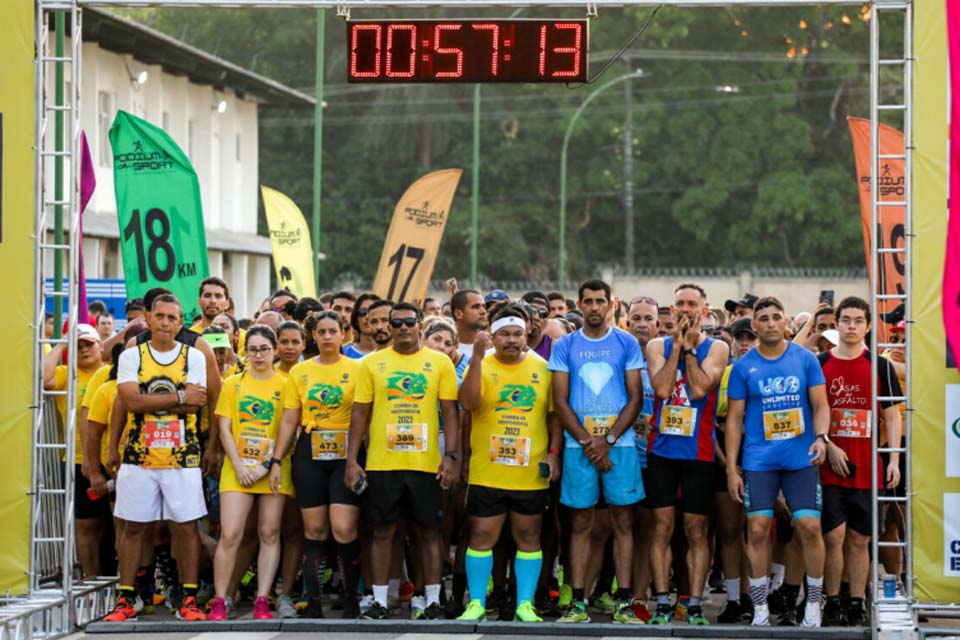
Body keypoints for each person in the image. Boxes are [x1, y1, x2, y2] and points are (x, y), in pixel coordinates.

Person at [344, 302, 460, 620]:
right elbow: (360, 413)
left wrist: (451, 456)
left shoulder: (439, 362)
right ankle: (381, 600)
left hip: (425, 464)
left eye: (410, 322)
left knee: (429, 532)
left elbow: (450, 412)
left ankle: (431, 600)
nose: (403, 327)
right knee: (382, 532)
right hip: (383, 464)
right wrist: (352, 460)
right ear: (389, 327)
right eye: (397, 323)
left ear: (420, 324)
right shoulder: (372, 363)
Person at [725, 296, 830, 628]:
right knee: (757, 529)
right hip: (760, 461)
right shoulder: (743, 367)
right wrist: (731, 468)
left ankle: (813, 603)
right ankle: (759, 608)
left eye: (776, 317)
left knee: (809, 527)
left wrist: (821, 437)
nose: (770, 323)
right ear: (755, 325)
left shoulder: (805, 359)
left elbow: (821, 405)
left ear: (785, 322)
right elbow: (734, 419)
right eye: (764, 318)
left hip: (801, 458)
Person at [106, 293, 209, 623]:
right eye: (160, 316)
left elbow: (196, 404)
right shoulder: (131, 355)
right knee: (133, 527)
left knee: (186, 527)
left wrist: (149, 399)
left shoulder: (194, 356)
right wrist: (178, 396)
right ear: (148, 318)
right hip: (139, 455)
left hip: (182, 457)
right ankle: (126, 598)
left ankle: (189, 598)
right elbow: (130, 402)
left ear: (180, 323)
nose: (165, 323)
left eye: (172, 318)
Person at [455, 305, 562, 623]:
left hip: (529, 473)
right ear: (493, 335)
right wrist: (476, 358)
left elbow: (554, 416)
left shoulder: (543, 367)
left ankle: (524, 604)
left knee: (529, 537)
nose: (511, 340)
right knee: (481, 536)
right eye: (504, 334)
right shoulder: (481, 363)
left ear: (527, 333)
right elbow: (468, 403)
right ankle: (476, 602)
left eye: (517, 334)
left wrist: (553, 453)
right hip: (487, 472)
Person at [548, 279, 645, 624]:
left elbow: (636, 397)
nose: (593, 307)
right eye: (587, 301)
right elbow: (560, 400)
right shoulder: (565, 345)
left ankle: (623, 601)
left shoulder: (626, 342)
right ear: (579, 304)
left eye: (599, 301)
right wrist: (590, 442)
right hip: (580, 447)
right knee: (580, 522)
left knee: (622, 520)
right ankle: (577, 601)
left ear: (610, 304)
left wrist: (609, 439)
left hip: (620, 445)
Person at [645, 284, 729, 626]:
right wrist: (677, 348)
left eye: (692, 304)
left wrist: (691, 350)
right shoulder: (657, 345)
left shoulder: (718, 347)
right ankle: (663, 601)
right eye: (680, 303)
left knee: (696, 529)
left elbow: (698, 388)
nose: (685, 309)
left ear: (704, 311)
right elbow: (663, 388)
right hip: (662, 450)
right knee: (661, 527)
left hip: (698, 452)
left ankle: (694, 602)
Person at [272, 310, 363, 618]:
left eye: (332, 331)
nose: (326, 337)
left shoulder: (357, 368)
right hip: (309, 450)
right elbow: (289, 419)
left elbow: (365, 414)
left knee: (344, 528)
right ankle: (313, 602)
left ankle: (351, 600)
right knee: (314, 529)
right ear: (313, 336)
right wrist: (276, 459)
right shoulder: (300, 372)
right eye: (321, 332)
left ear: (343, 334)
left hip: (346, 452)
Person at [818, 297, 903, 626]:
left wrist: (893, 459)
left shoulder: (880, 366)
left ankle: (856, 603)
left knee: (859, 539)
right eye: (845, 320)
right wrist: (827, 444)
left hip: (868, 467)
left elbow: (892, 417)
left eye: (857, 320)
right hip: (828, 466)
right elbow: (812, 412)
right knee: (833, 538)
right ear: (837, 324)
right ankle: (832, 602)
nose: (851, 326)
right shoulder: (820, 363)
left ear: (868, 326)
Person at [207, 326, 291, 621]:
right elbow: (224, 428)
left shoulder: (286, 384)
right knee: (230, 534)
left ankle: (262, 599)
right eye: (253, 349)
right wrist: (240, 466)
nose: (258, 355)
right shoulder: (233, 384)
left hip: (274, 468)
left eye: (264, 349)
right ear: (245, 351)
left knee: (269, 532)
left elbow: (289, 429)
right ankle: (220, 599)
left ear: (274, 351)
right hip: (238, 469)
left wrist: (267, 465)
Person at [44, 323, 106, 578]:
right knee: (86, 527)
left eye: (88, 344)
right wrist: (62, 343)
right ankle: (91, 584)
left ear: (100, 346)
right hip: (78, 462)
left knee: (120, 527)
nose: (83, 350)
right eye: (77, 346)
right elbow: (44, 379)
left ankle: (122, 585)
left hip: (112, 461)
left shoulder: (111, 373)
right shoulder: (65, 374)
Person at [713, 317, 758, 624]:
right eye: (739, 338)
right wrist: (727, 464)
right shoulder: (723, 372)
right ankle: (732, 599)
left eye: (750, 338)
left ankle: (753, 598)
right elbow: (710, 422)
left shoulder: (770, 370)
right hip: (724, 455)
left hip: (759, 454)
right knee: (729, 531)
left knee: (756, 531)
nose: (744, 344)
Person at [451, 289, 488, 359]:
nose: (483, 311)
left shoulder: (493, 347)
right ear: (458, 314)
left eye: (484, 306)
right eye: (476, 307)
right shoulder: (445, 348)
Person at [344, 293, 381, 359]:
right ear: (356, 319)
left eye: (373, 312)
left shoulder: (392, 354)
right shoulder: (343, 353)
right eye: (363, 311)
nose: (367, 316)